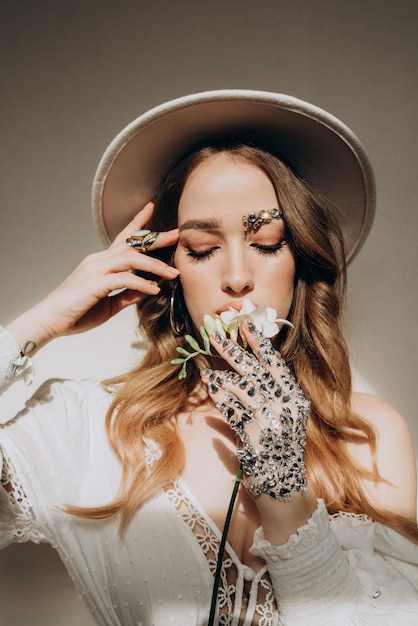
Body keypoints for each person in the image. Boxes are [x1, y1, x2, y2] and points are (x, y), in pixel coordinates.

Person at [0, 89, 417, 626]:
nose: (238, 277)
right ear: (166, 273)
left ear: (300, 261)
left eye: (267, 242)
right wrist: (39, 323)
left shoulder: (367, 434)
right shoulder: (91, 429)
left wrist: (285, 491)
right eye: (201, 248)